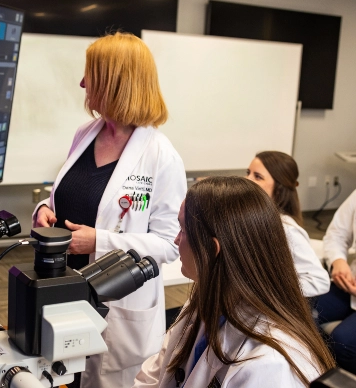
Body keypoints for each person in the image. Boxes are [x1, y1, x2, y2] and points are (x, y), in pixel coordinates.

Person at [33, 32, 187, 387]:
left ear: (117, 82)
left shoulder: (162, 157)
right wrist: (45, 208)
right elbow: (68, 196)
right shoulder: (85, 133)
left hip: (119, 304)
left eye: (92, 74)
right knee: (61, 374)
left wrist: (98, 242)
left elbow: (169, 243)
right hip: (65, 287)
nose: (82, 82)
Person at [133, 177, 336, 388]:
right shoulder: (206, 298)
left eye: (183, 229)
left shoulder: (270, 366)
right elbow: (156, 373)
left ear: (212, 250)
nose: (176, 240)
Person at [246, 151, 330, 297]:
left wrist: (267, 290)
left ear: (279, 188)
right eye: (248, 173)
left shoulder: (286, 229)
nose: (247, 180)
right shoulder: (255, 218)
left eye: (257, 177)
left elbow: (320, 281)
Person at [314, 188, 356, 374]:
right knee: (299, 310)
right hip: (348, 284)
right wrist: (338, 261)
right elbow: (337, 234)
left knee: (342, 342)